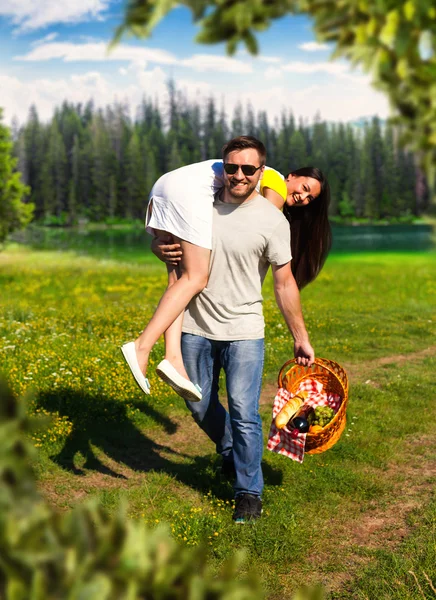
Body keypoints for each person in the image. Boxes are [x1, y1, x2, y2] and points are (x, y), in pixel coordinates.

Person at [154, 135, 314, 522]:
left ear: (262, 173)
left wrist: (300, 336)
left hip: (244, 330)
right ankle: (232, 451)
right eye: (232, 167)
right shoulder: (199, 207)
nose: (239, 175)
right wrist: (159, 248)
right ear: (222, 167)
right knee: (197, 403)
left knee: (244, 412)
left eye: (248, 169)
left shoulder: (273, 220)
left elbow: (284, 282)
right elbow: (170, 246)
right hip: (194, 326)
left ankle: (248, 492)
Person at [121, 137, 331, 402]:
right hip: (184, 194)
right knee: (195, 278)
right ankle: (142, 346)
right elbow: (260, 220)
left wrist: (157, 245)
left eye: (310, 197)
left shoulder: (232, 176)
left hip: (164, 187)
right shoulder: (274, 181)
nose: (303, 197)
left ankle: (172, 357)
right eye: (304, 187)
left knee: (178, 281)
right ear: (290, 176)